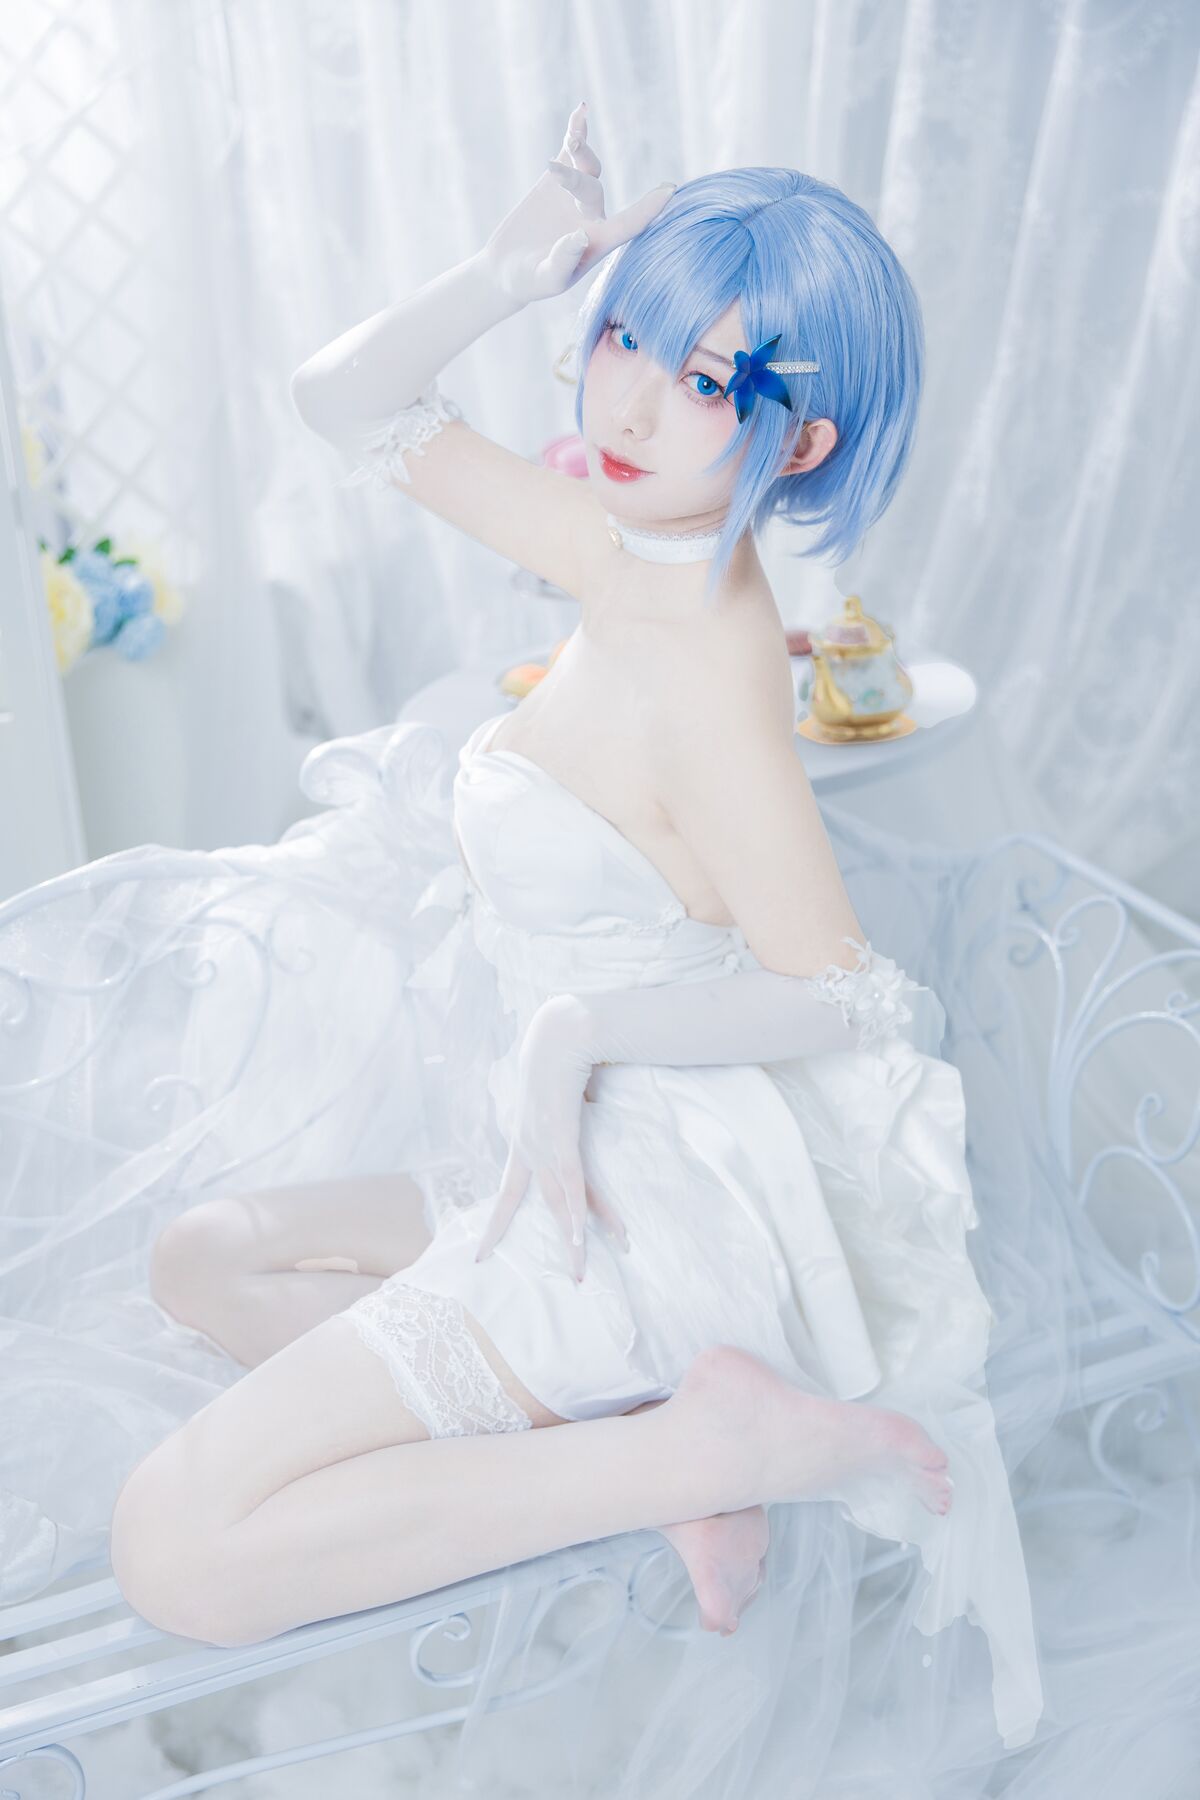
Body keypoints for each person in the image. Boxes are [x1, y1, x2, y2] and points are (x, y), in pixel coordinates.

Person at [6, 108, 1189, 1799]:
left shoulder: (713, 667)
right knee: (204, 1256)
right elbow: (342, 400)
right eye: (626, 335)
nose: (626, 404)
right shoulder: (627, 556)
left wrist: (577, 1028)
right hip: (564, 1149)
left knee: (170, 1545)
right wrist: (510, 274)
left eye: (705, 380)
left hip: (654, 1199)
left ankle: (699, 1448)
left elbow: (851, 993)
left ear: (798, 438)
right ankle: (648, 1435)